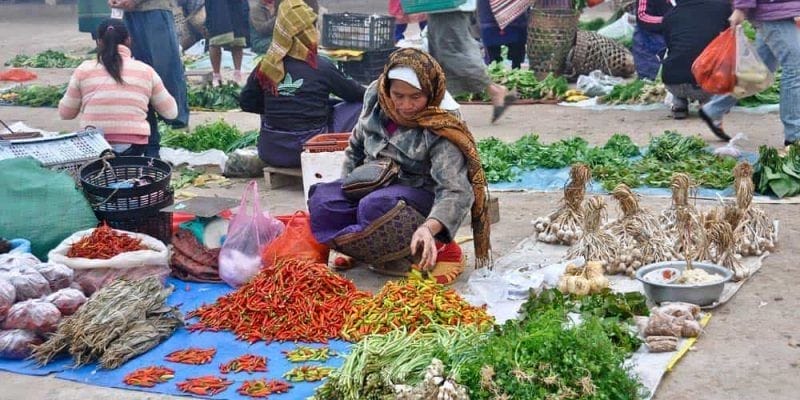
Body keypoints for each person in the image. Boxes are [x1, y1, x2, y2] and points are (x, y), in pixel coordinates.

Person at [307, 48, 492, 285]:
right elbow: (356, 147)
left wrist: (430, 227)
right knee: (323, 200)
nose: (405, 105)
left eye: (415, 97)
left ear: (430, 90)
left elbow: (455, 191)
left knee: (374, 206)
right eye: (398, 95)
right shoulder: (377, 97)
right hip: (374, 182)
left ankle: (442, 247)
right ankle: (370, 252)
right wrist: (348, 185)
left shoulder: (443, 122)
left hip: (418, 198)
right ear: (387, 88)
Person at [240, 0, 365, 168]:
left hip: (272, 151)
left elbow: (246, 102)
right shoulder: (320, 66)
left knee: (269, 105)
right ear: (308, 32)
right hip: (311, 149)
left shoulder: (267, 64)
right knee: (360, 105)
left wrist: (280, 106)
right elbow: (356, 94)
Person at [58, 19, 178, 156]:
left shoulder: (83, 70)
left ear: (99, 42)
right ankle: (150, 161)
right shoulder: (145, 71)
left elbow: (65, 113)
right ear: (128, 40)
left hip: (93, 147)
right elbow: (171, 113)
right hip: (134, 146)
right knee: (147, 105)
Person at [700, 3, 800, 145]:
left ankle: (713, 109)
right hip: (774, 11)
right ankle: (795, 137)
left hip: (779, 10)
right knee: (795, 68)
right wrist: (741, 7)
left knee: (757, 71)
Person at [108, 0, 189, 159]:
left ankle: (177, 124)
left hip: (154, 9)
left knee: (163, 69)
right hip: (127, 13)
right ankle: (148, 136)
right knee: (134, 73)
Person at [426, 0, 515, 123]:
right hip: (439, 7)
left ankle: (494, 89)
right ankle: (443, 103)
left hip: (450, 7)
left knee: (452, 53)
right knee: (439, 53)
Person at [662, 0, 730, 119]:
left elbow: (670, 46)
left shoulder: (670, 15)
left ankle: (679, 102)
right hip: (707, 83)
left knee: (677, 58)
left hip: (673, 82)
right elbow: (729, 36)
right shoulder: (722, 7)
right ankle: (709, 102)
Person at [248, 0, 319, 55]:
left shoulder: (277, 6)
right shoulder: (256, 10)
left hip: (276, 38)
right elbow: (262, 29)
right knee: (287, 44)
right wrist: (280, 17)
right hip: (261, 41)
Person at [204, 0, 249, 85]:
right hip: (216, 4)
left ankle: (237, 73)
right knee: (216, 39)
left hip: (236, 5)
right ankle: (216, 75)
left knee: (238, 38)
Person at [476, 0, 529, 69]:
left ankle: (515, 69)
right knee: (492, 53)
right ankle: (495, 69)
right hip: (489, 14)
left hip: (515, 12)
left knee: (517, 46)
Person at [632, 0, 673, 80]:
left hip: (670, 37)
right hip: (649, 42)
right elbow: (642, 16)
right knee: (650, 81)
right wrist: (667, 20)